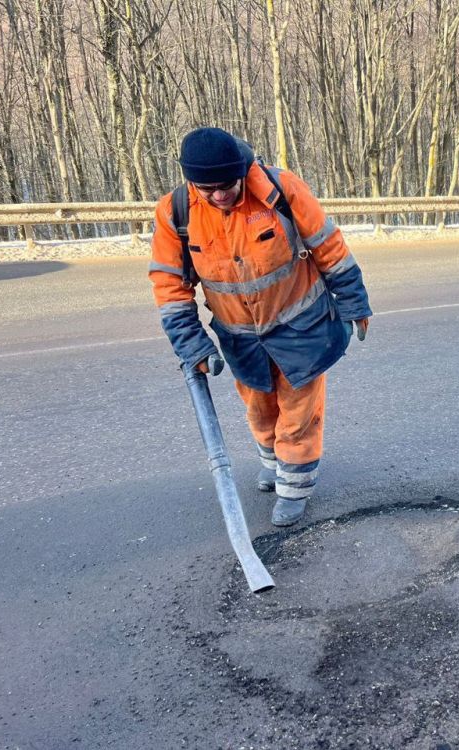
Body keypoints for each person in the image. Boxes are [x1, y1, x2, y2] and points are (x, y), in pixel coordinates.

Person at [149, 126, 371, 526]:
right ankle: (274, 462)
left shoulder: (281, 190)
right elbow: (169, 286)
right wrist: (192, 344)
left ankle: (294, 489)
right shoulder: (175, 212)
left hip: (302, 328)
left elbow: (329, 246)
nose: (220, 195)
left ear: (241, 170)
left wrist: (354, 301)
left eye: (228, 185)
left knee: (299, 413)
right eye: (208, 188)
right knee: (259, 410)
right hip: (241, 338)